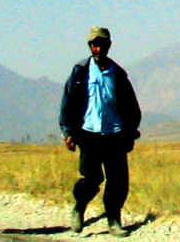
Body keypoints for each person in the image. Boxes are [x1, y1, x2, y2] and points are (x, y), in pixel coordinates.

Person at [59, 27, 142, 236]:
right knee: (92, 178)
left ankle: (114, 219)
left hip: (115, 134)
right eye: (94, 45)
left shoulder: (118, 74)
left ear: (109, 46)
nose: (98, 48)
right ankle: (79, 207)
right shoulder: (80, 72)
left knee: (118, 180)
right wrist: (68, 132)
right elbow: (67, 102)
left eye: (102, 44)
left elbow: (132, 106)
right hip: (89, 134)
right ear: (90, 47)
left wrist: (131, 132)